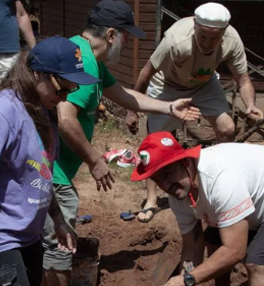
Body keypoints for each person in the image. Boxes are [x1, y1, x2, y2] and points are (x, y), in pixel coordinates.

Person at [41, 1, 201, 285]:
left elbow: (124, 95)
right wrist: (94, 161)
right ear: (112, 35)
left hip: (46, 168)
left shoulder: (84, 53)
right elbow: (66, 119)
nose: (127, 44)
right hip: (52, 172)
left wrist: (168, 107)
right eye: (127, 37)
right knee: (59, 250)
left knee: (47, 240)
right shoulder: (86, 62)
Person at [0, 36, 101, 286]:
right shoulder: (4, 110)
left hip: (28, 234)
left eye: (70, 91)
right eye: (61, 89)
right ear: (38, 74)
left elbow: (41, 175)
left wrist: (58, 219)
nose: (64, 98)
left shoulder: (44, 112)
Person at [125, 2, 264, 223]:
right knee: (154, 142)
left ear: (223, 32)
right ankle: (151, 199)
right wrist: (133, 110)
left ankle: (217, 182)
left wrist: (250, 104)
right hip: (167, 86)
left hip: (204, 85)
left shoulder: (232, 39)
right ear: (195, 26)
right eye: (203, 36)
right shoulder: (175, 40)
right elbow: (146, 73)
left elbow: (243, 79)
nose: (208, 43)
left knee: (227, 128)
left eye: (214, 38)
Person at [131, 131, 264, 286]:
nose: (165, 186)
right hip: (250, 200)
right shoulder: (178, 193)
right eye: (157, 180)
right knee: (214, 241)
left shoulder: (223, 181)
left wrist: (187, 280)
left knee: (256, 263)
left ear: (186, 162)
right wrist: (185, 277)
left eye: (167, 174)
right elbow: (192, 246)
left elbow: (235, 251)